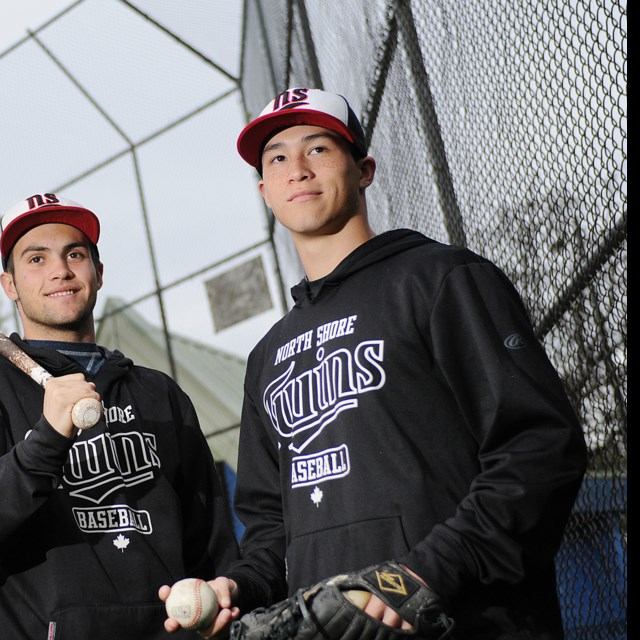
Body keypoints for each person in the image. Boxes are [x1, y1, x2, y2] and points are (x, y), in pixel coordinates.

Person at [161, 88, 588, 639]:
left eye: (318, 148)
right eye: (278, 158)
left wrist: (425, 571)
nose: (298, 169)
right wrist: (237, 587)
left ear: (363, 169)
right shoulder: (267, 356)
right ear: (265, 192)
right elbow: (271, 527)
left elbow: (539, 447)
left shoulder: (441, 280)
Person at [0, 192, 241, 639]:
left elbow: (213, 545)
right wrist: (44, 442)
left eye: (75, 254)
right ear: (9, 285)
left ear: (98, 272)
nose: (60, 271)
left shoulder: (157, 393)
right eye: (36, 259)